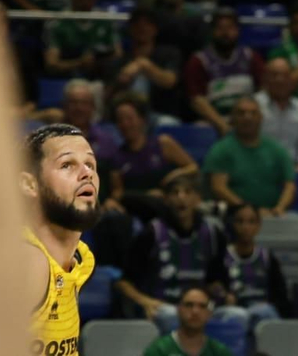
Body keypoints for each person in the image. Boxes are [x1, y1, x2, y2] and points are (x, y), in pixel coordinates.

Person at [118, 173, 240, 333]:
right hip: (165, 305)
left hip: (201, 306)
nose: (181, 197)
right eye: (175, 193)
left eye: (187, 192)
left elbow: (217, 278)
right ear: (166, 200)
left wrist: (223, 292)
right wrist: (145, 302)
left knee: (237, 316)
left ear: (198, 199)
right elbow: (123, 283)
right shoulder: (152, 232)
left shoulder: (212, 233)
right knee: (172, 316)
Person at [23, 124, 102, 354]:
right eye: (67, 165)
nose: (87, 173)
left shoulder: (80, 259)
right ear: (29, 184)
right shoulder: (27, 261)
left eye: (90, 164)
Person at [204, 95, 297, 214]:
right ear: (232, 118)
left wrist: (279, 209)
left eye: (253, 113)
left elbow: (290, 186)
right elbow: (219, 187)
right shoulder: (221, 149)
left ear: (261, 118)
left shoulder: (276, 149)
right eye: (241, 113)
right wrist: (249, 211)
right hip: (234, 216)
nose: (247, 117)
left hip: (272, 215)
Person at [184, 8, 266, 134]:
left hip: (247, 118)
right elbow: (197, 100)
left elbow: (263, 90)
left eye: (230, 28)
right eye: (220, 28)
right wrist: (222, 125)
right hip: (214, 121)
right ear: (212, 32)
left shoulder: (251, 57)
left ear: (238, 31)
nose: (225, 33)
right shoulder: (199, 60)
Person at [221, 202, 293, 326]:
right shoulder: (222, 257)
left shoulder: (267, 257)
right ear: (233, 224)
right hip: (234, 311)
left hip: (262, 312)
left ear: (258, 226)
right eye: (240, 221)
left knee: (266, 312)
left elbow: (280, 294)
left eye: (251, 221)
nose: (245, 227)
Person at [257, 56, 298, 170]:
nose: (279, 80)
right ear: (265, 79)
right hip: (259, 170)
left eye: (284, 75)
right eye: (274, 75)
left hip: (295, 170)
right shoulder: (253, 107)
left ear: (291, 79)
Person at [141, 286, 234, 356]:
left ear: (209, 314)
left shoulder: (220, 352)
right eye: (189, 305)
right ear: (178, 310)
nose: (195, 311)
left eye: (202, 306)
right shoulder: (158, 350)